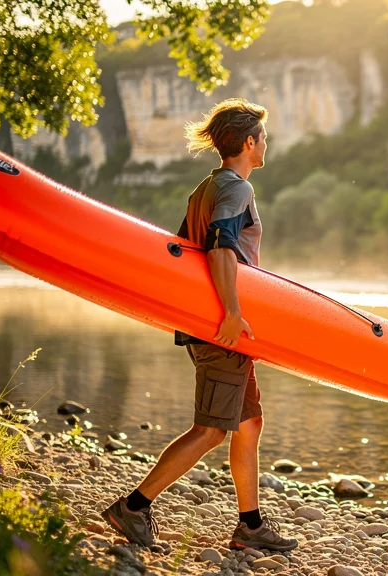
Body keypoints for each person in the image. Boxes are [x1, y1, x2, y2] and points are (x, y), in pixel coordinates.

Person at [101, 98, 298, 552]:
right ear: (249, 143)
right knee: (211, 430)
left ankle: (250, 527)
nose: (266, 144)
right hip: (221, 327)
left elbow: (180, 253)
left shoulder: (204, 189)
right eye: (263, 137)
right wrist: (230, 312)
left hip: (214, 325)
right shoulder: (236, 189)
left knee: (249, 424)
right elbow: (219, 247)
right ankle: (132, 508)